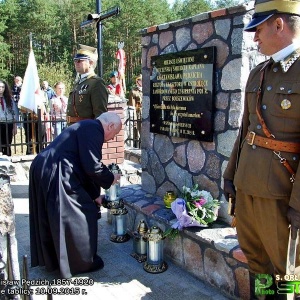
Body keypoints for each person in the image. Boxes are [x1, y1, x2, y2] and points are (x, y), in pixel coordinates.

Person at [223, 0, 300, 298]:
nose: (254, 37)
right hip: (248, 186)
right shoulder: (258, 73)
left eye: (259, 29)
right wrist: (231, 176)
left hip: (282, 193)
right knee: (257, 262)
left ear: (279, 25)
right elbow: (246, 132)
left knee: (286, 270)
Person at [29, 111, 122, 279]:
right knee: (79, 212)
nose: (112, 139)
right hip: (55, 170)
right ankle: (81, 262)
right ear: (110, 126)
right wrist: (111, 178)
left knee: (55, 213)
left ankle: (56, 260)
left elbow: (84, 167)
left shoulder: (86, 126)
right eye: (114, 134)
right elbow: (93, 167)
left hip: (44, 166)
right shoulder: (94, 129)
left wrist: (94, 196)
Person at [66, 44, 108, 125]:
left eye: (80, 60)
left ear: (91, 63)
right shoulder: (78, 83)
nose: (76, 63)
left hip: (86, 129)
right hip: (73, 128)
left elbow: (100, 114)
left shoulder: (96, 83)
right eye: (75, 61)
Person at [0, 80, 18, 156]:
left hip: (8, 123)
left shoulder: (9, 100)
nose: (0, 88)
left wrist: (15, 126)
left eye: (2, 87)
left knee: (7, 144)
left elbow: (14, 113)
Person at [128, 74, 142, 147]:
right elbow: (132, 106)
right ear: (137, 81)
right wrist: (134, 118)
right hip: (139, 113)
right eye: (140, 80)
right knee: (138, 133)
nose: (142, 82)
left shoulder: (148, 90)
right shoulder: (134, 92)